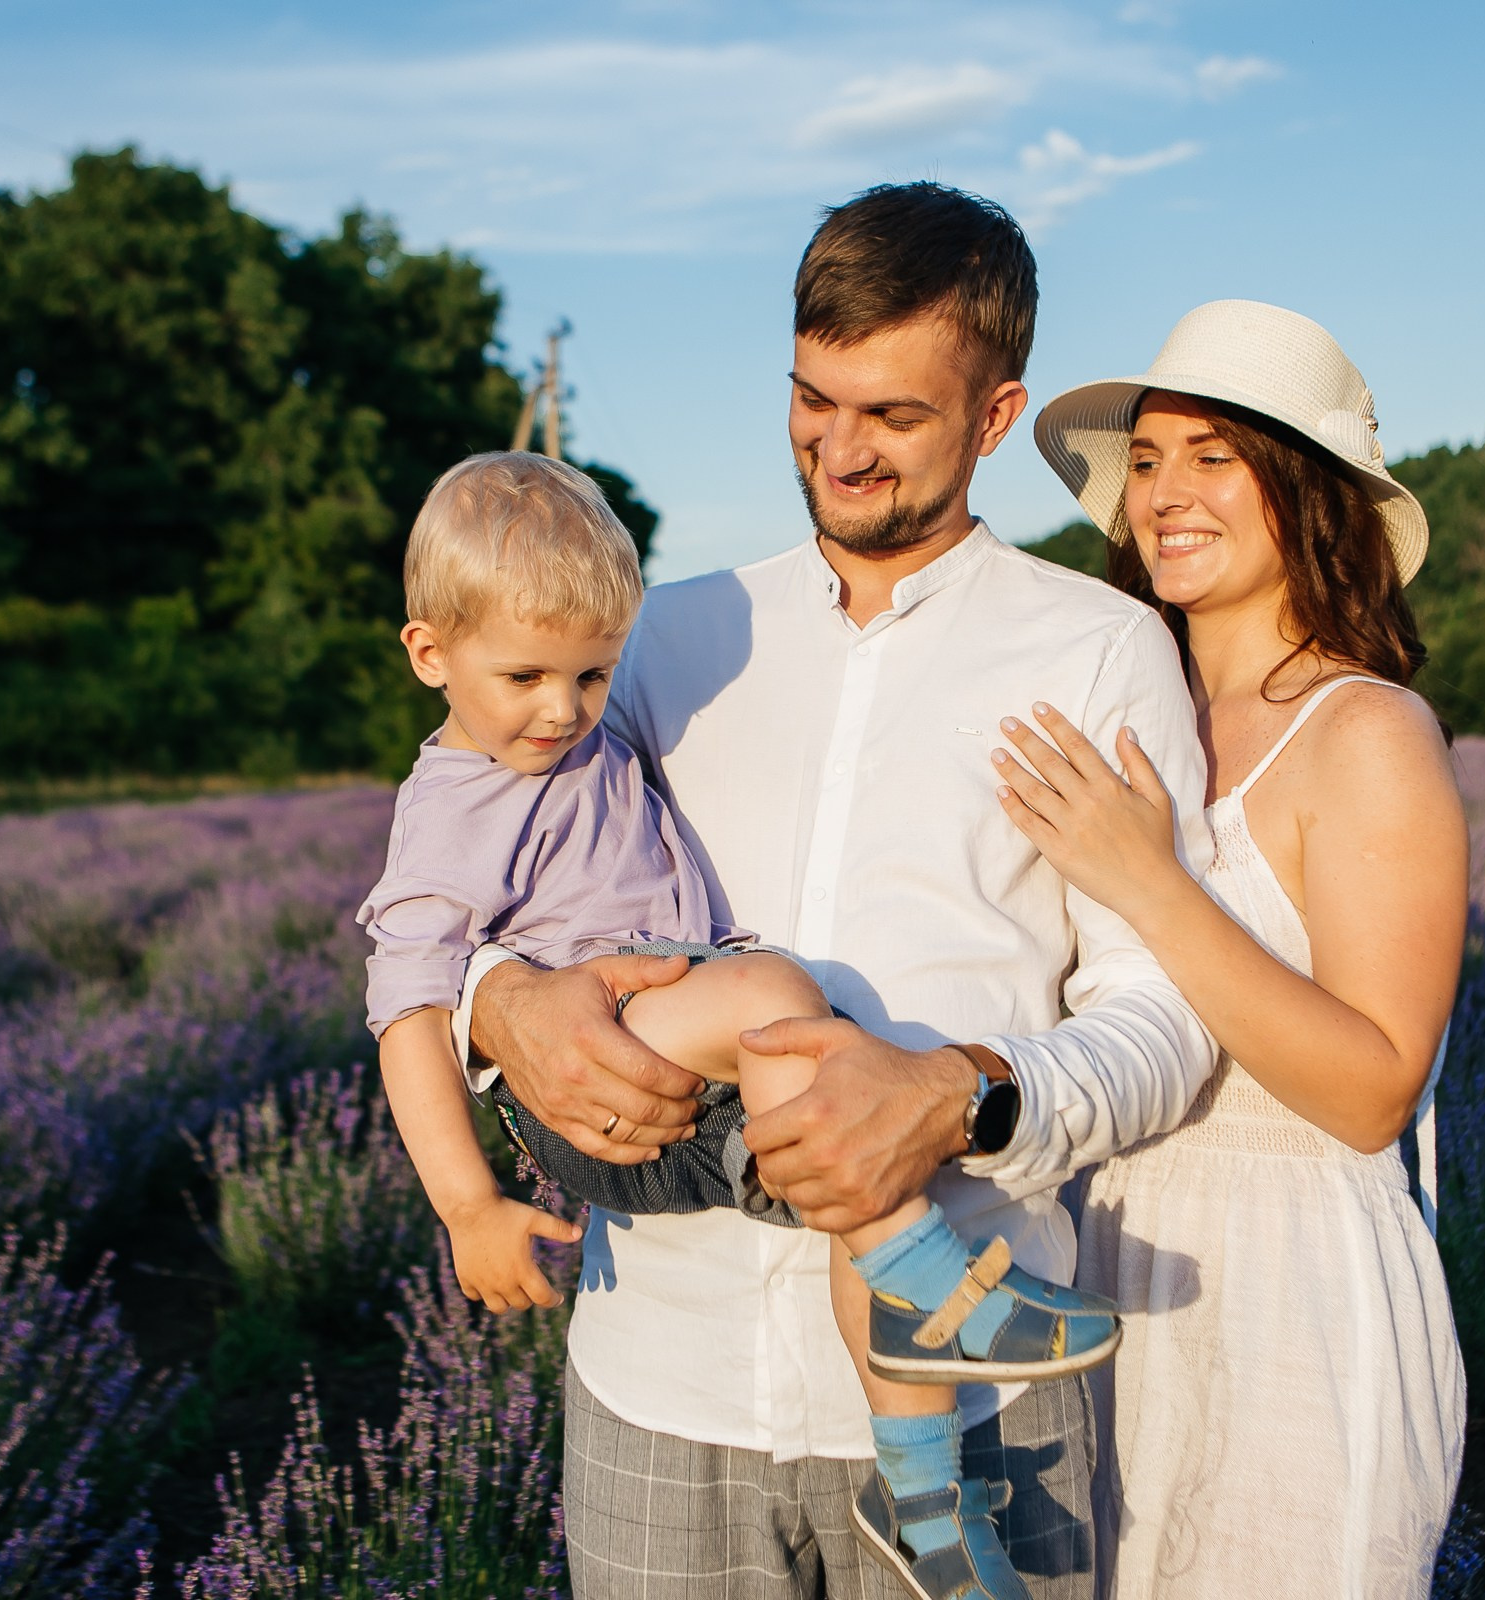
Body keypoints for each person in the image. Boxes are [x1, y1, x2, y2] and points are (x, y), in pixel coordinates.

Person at [447, 186, 1220, 1599]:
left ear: (996, 418)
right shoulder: (658, 636)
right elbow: (463, 883)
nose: (841, 448)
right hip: (658, 1381)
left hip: (985, 1407)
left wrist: (967, 1096)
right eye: (815, 400)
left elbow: (1167, 1011)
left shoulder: (1104, 652)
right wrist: (499, 1010)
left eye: (895, 416)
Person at [355, 450, 1127, 1600]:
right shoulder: (452, 805)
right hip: (608, 1072)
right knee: (775, 995)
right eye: (524, 676)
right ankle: (939, 1289)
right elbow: (409, 1007)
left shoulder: (583, 738)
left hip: (683, 1049)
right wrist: (467, 1203)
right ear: (428, 653)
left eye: (593, 672)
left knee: (861, 1169)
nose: (563, 708)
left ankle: (923, 1495)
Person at [1000, 300, 1468, 1597]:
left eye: (1215, 457)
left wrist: (1156, 885)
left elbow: (1374, 1091)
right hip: (1101, 1247)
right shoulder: (1118, 709)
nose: (1164, 493)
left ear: (1306, 491)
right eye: (1148, 460)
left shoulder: (1366, 734)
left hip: (1290, 1289)